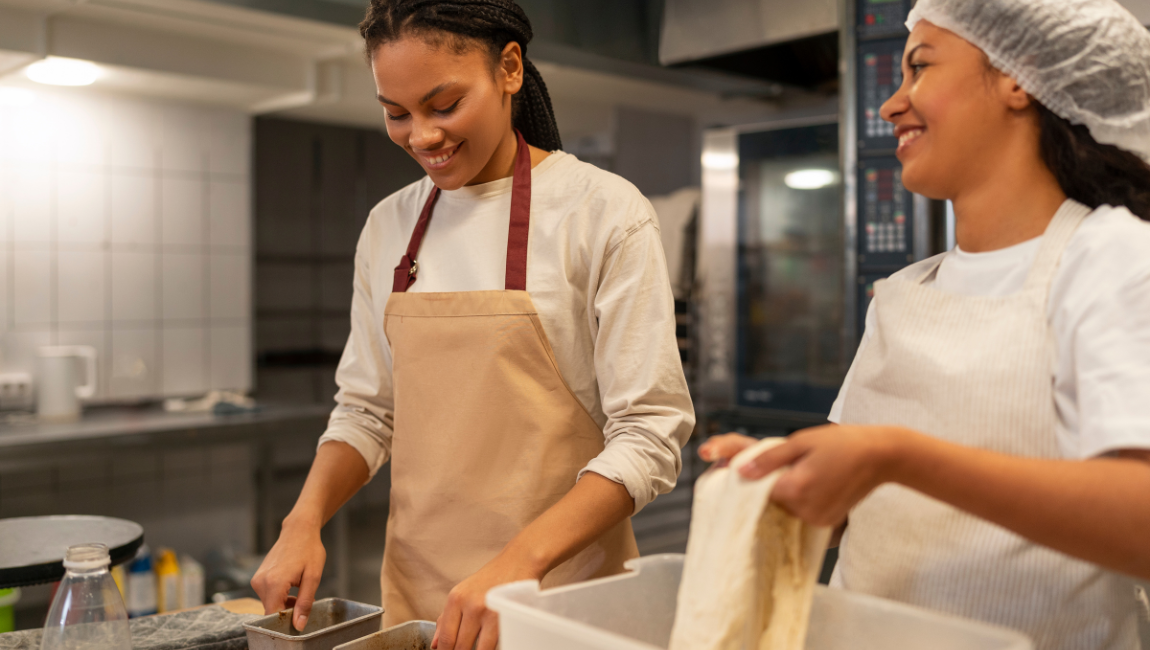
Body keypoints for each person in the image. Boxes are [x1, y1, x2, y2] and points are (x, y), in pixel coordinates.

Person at [701, 0, 1150, 648]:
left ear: (1018, 76)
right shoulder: (907, 291)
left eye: (919, 68)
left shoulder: (1111, 256)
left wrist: (896, 456)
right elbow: (851, 502)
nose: (890, 105)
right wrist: (775, 480)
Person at [249, 2, 695, 649]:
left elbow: (650, 434)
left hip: (562, 603)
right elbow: (368, 410)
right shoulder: (388, 226)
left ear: (509, 68)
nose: (422, 136)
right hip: (421, 606)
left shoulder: (603, 213)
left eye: (444, 105)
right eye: (396, 113)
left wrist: (518, 564)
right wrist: (303, 520)